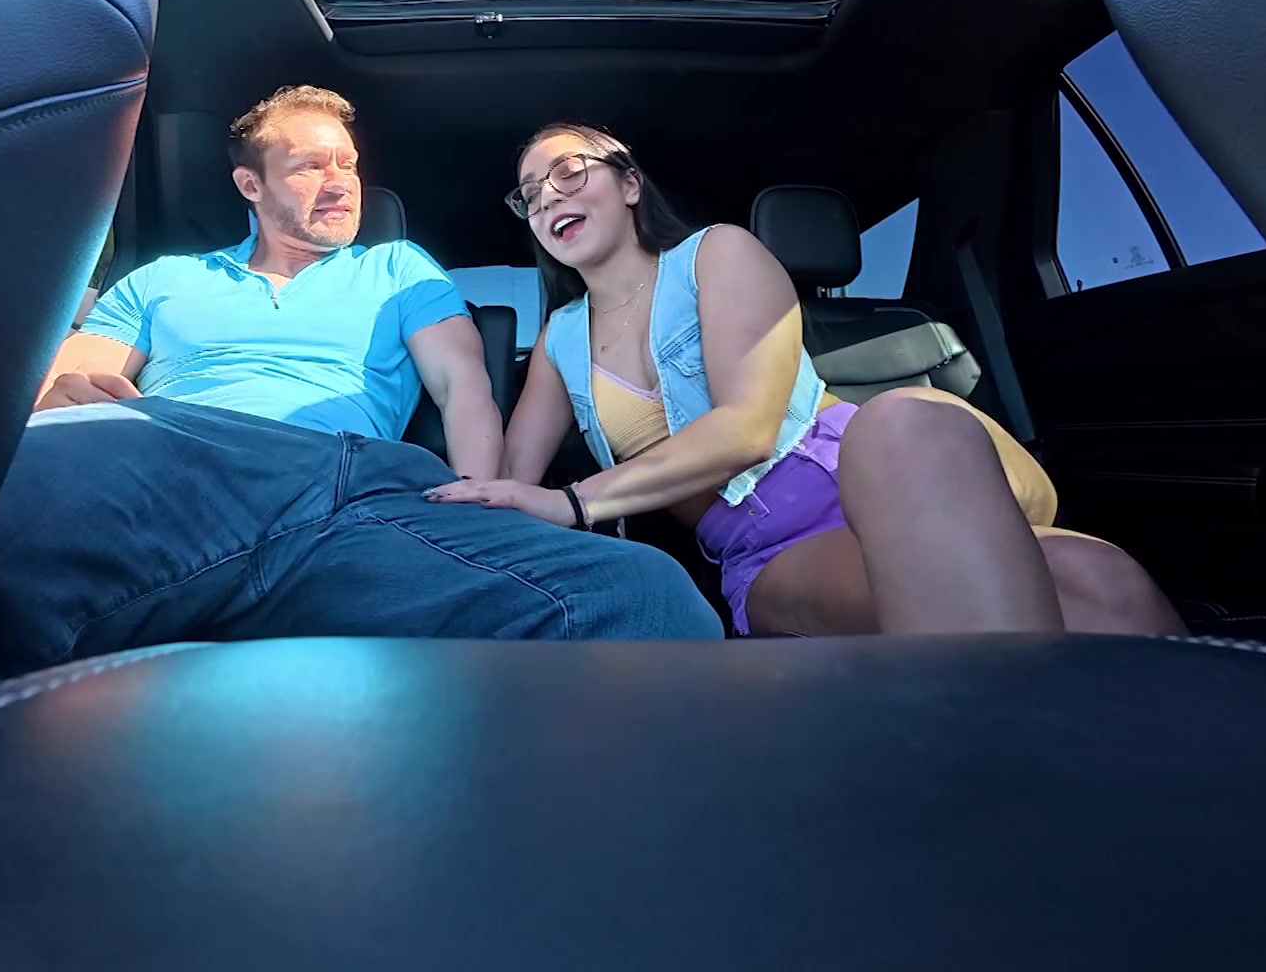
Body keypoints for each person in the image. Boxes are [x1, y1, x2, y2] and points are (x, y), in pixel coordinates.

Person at [0, 91, 725, 680]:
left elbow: (464, 389)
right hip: (166, 468)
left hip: (344, 496)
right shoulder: (162, 280)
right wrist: (57, 404)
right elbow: (60, 386)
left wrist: (479, 502)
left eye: (349, 165)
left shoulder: (398, 269)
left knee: (643, 597)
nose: (340, 182)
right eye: (310, 166)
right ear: (250, 184)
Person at [426, 123, 1185, 638]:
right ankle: (1011, 792)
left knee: (1103, 577)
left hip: (869, 478)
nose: (548, 196)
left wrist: (576, 501)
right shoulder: (561, 339)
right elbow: (504, 484)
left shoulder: (717, 254)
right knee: (1002, 593)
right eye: (530, 194)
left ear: (629, 184)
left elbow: (749, 427)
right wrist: (455, 416)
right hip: (767, 543)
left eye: (569, 171)